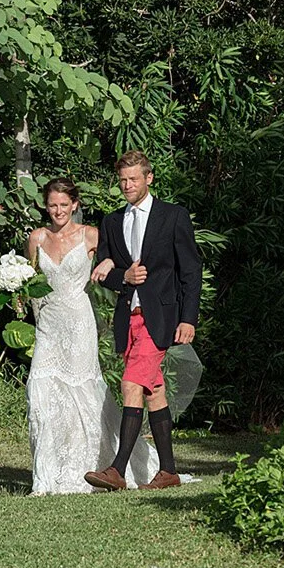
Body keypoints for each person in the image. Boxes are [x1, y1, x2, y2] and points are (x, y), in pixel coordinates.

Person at [23, 177, 160, 494]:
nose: (58, 210)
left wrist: (109, 261)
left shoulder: (91, 235)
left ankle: (93, 464)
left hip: (79, 321)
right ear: (46, 206)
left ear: (74, 204)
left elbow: (118, 261)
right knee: (40, 392)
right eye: (52, 205)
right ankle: (45, 476)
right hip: (48, 322)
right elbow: (31, 282)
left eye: (64, 204)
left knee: (84, 391)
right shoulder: (37, 237)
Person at [84, 150, 204, 492]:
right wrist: (123, 276)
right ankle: (168, 472)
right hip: (129, 320)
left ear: (149, 178)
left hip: (161, 318)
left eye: (134, 179)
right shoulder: (111, 222)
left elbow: (191, 270)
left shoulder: (174, 216)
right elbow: (104, 272)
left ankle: (117, 470)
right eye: (123, 180)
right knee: (153, 391)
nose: (127, 185)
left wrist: (188, 319)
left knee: (131, 384)